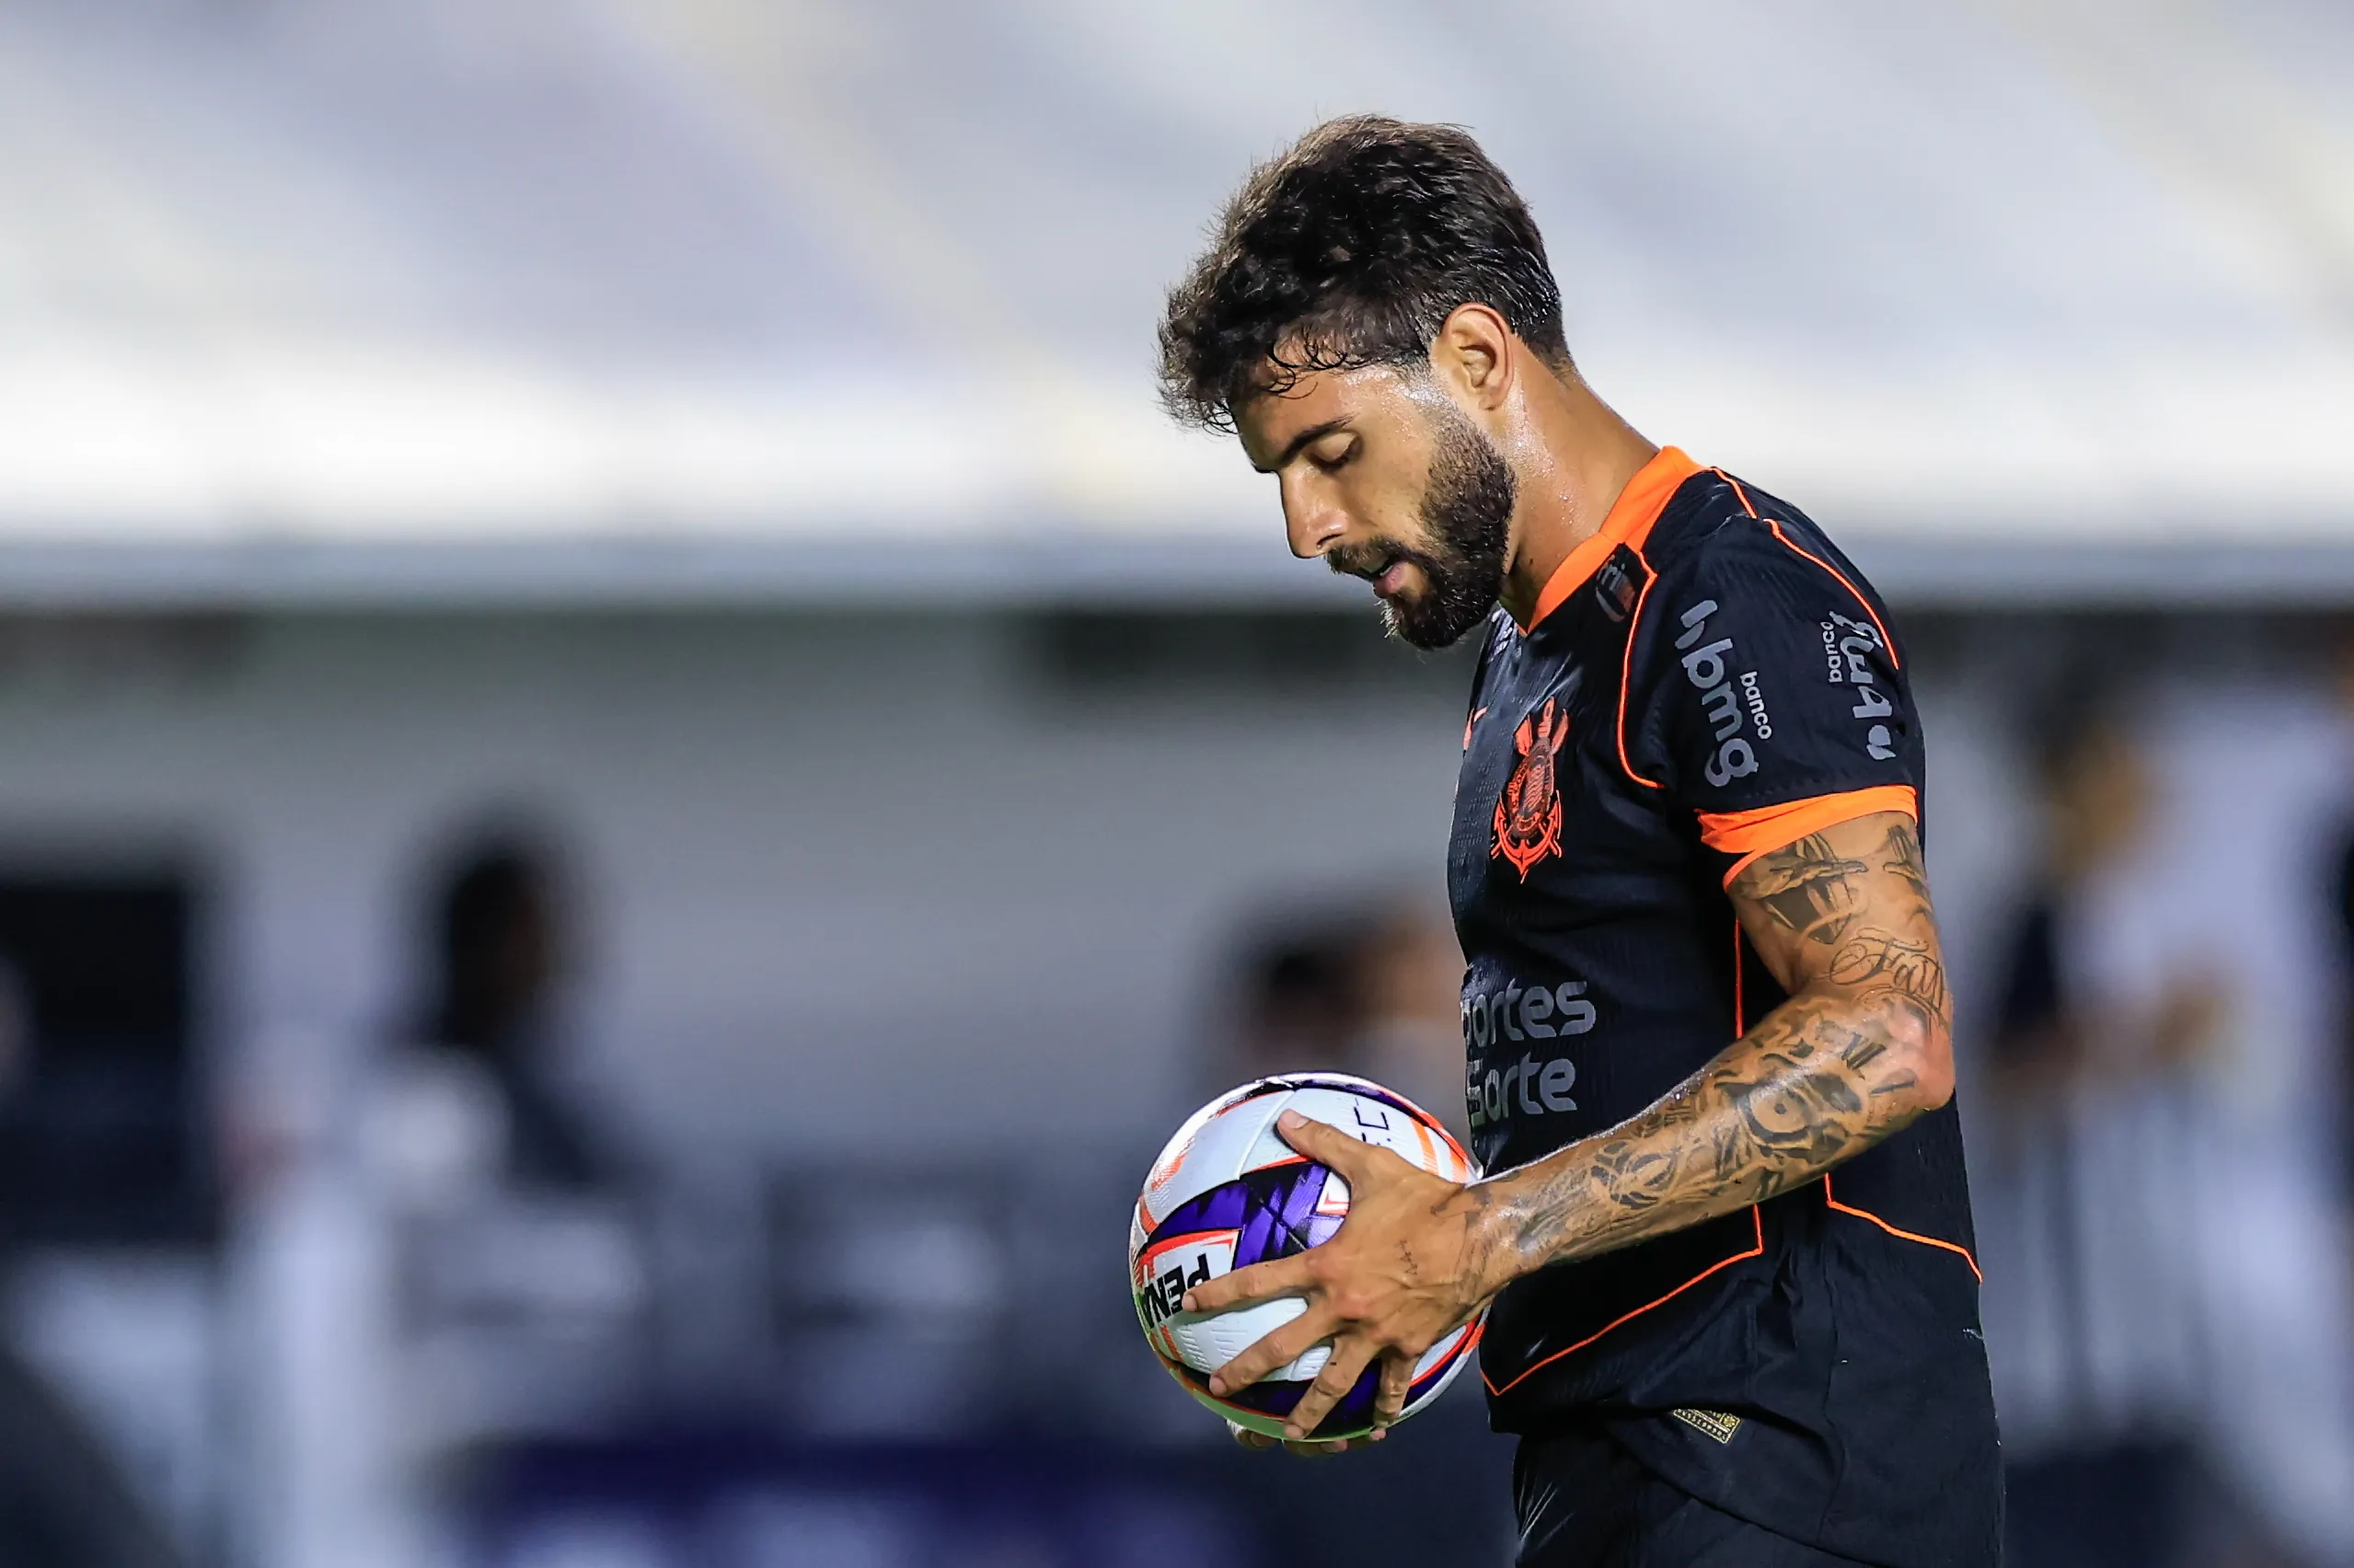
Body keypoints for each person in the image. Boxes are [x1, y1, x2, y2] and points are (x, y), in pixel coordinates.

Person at [1154, 118, 1998, 1565]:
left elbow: (1883, 1035)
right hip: (1618, 1460)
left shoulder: (1733, 599)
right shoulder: (1527, 657)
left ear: (1478, 360)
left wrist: (1472, 1239)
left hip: (1783, 1469)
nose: (1304, 525)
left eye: (1331, 452)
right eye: (1277, 477)